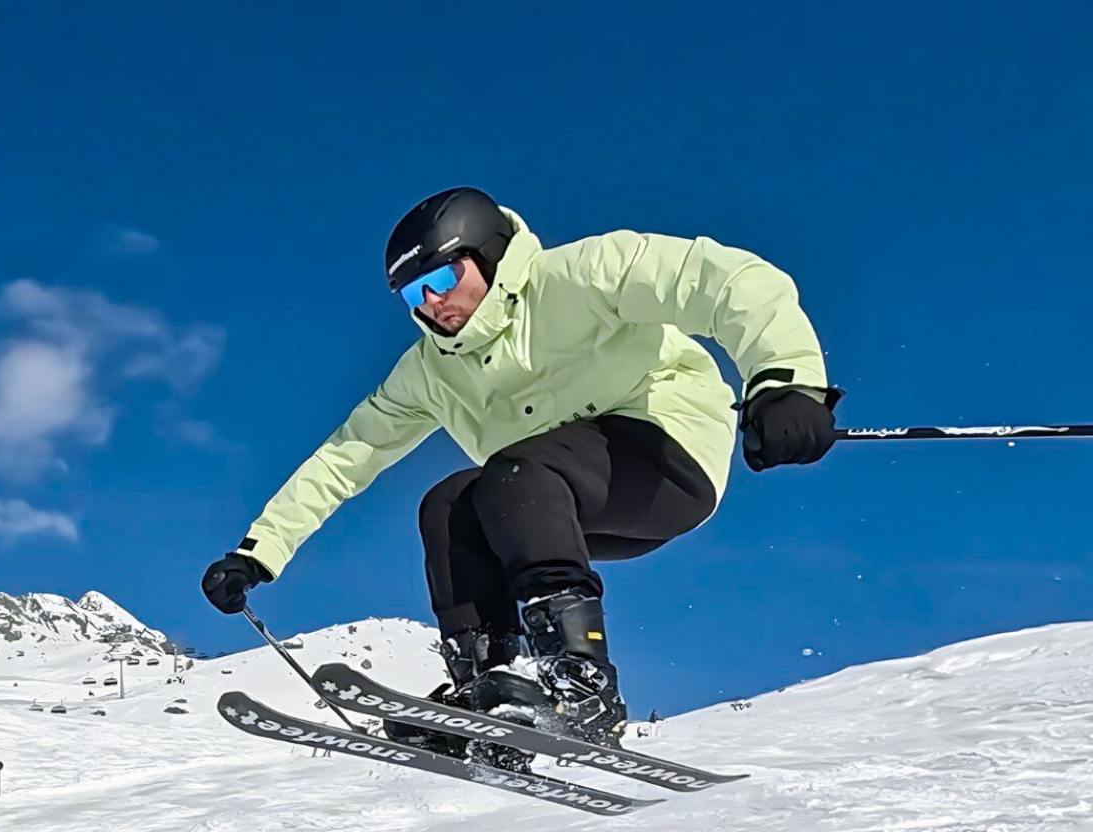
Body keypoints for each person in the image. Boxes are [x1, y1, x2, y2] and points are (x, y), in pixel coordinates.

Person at [202, 187, 838, 754]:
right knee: (449, 504)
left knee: (511, 472)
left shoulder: (583, 276)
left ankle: (580, 683)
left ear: (487, 255)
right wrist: (259, 551)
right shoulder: (430, 369)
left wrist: (787, 383)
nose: (432, 306)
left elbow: (724, 279)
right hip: (555, 504)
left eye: (441, 279)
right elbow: (348, 455)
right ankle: (488, 688)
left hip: (666, 460)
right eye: (412, 295)